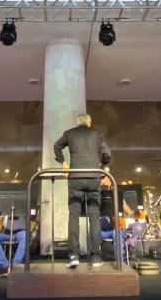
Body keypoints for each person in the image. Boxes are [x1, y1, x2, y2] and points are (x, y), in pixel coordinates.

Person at [54, 113, 112, 268]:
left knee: (74, 214)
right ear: (90, 123)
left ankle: (73, 255)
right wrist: (101, 165)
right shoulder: (97, 135)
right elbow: (108, 153)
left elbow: (56, 146)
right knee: (94, 215)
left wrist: (63, 163)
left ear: (77, 123)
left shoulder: (70, 133)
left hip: (76, 177)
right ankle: (96, 257)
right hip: (94, 177)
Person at [0, 207, 27, 274]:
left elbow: (32, 218)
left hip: (20, 232)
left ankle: (16, 264)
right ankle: (4, 264)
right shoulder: (6, 204)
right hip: (6, 231)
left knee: (25, 236)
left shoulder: (24, 204)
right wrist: (0, 226)